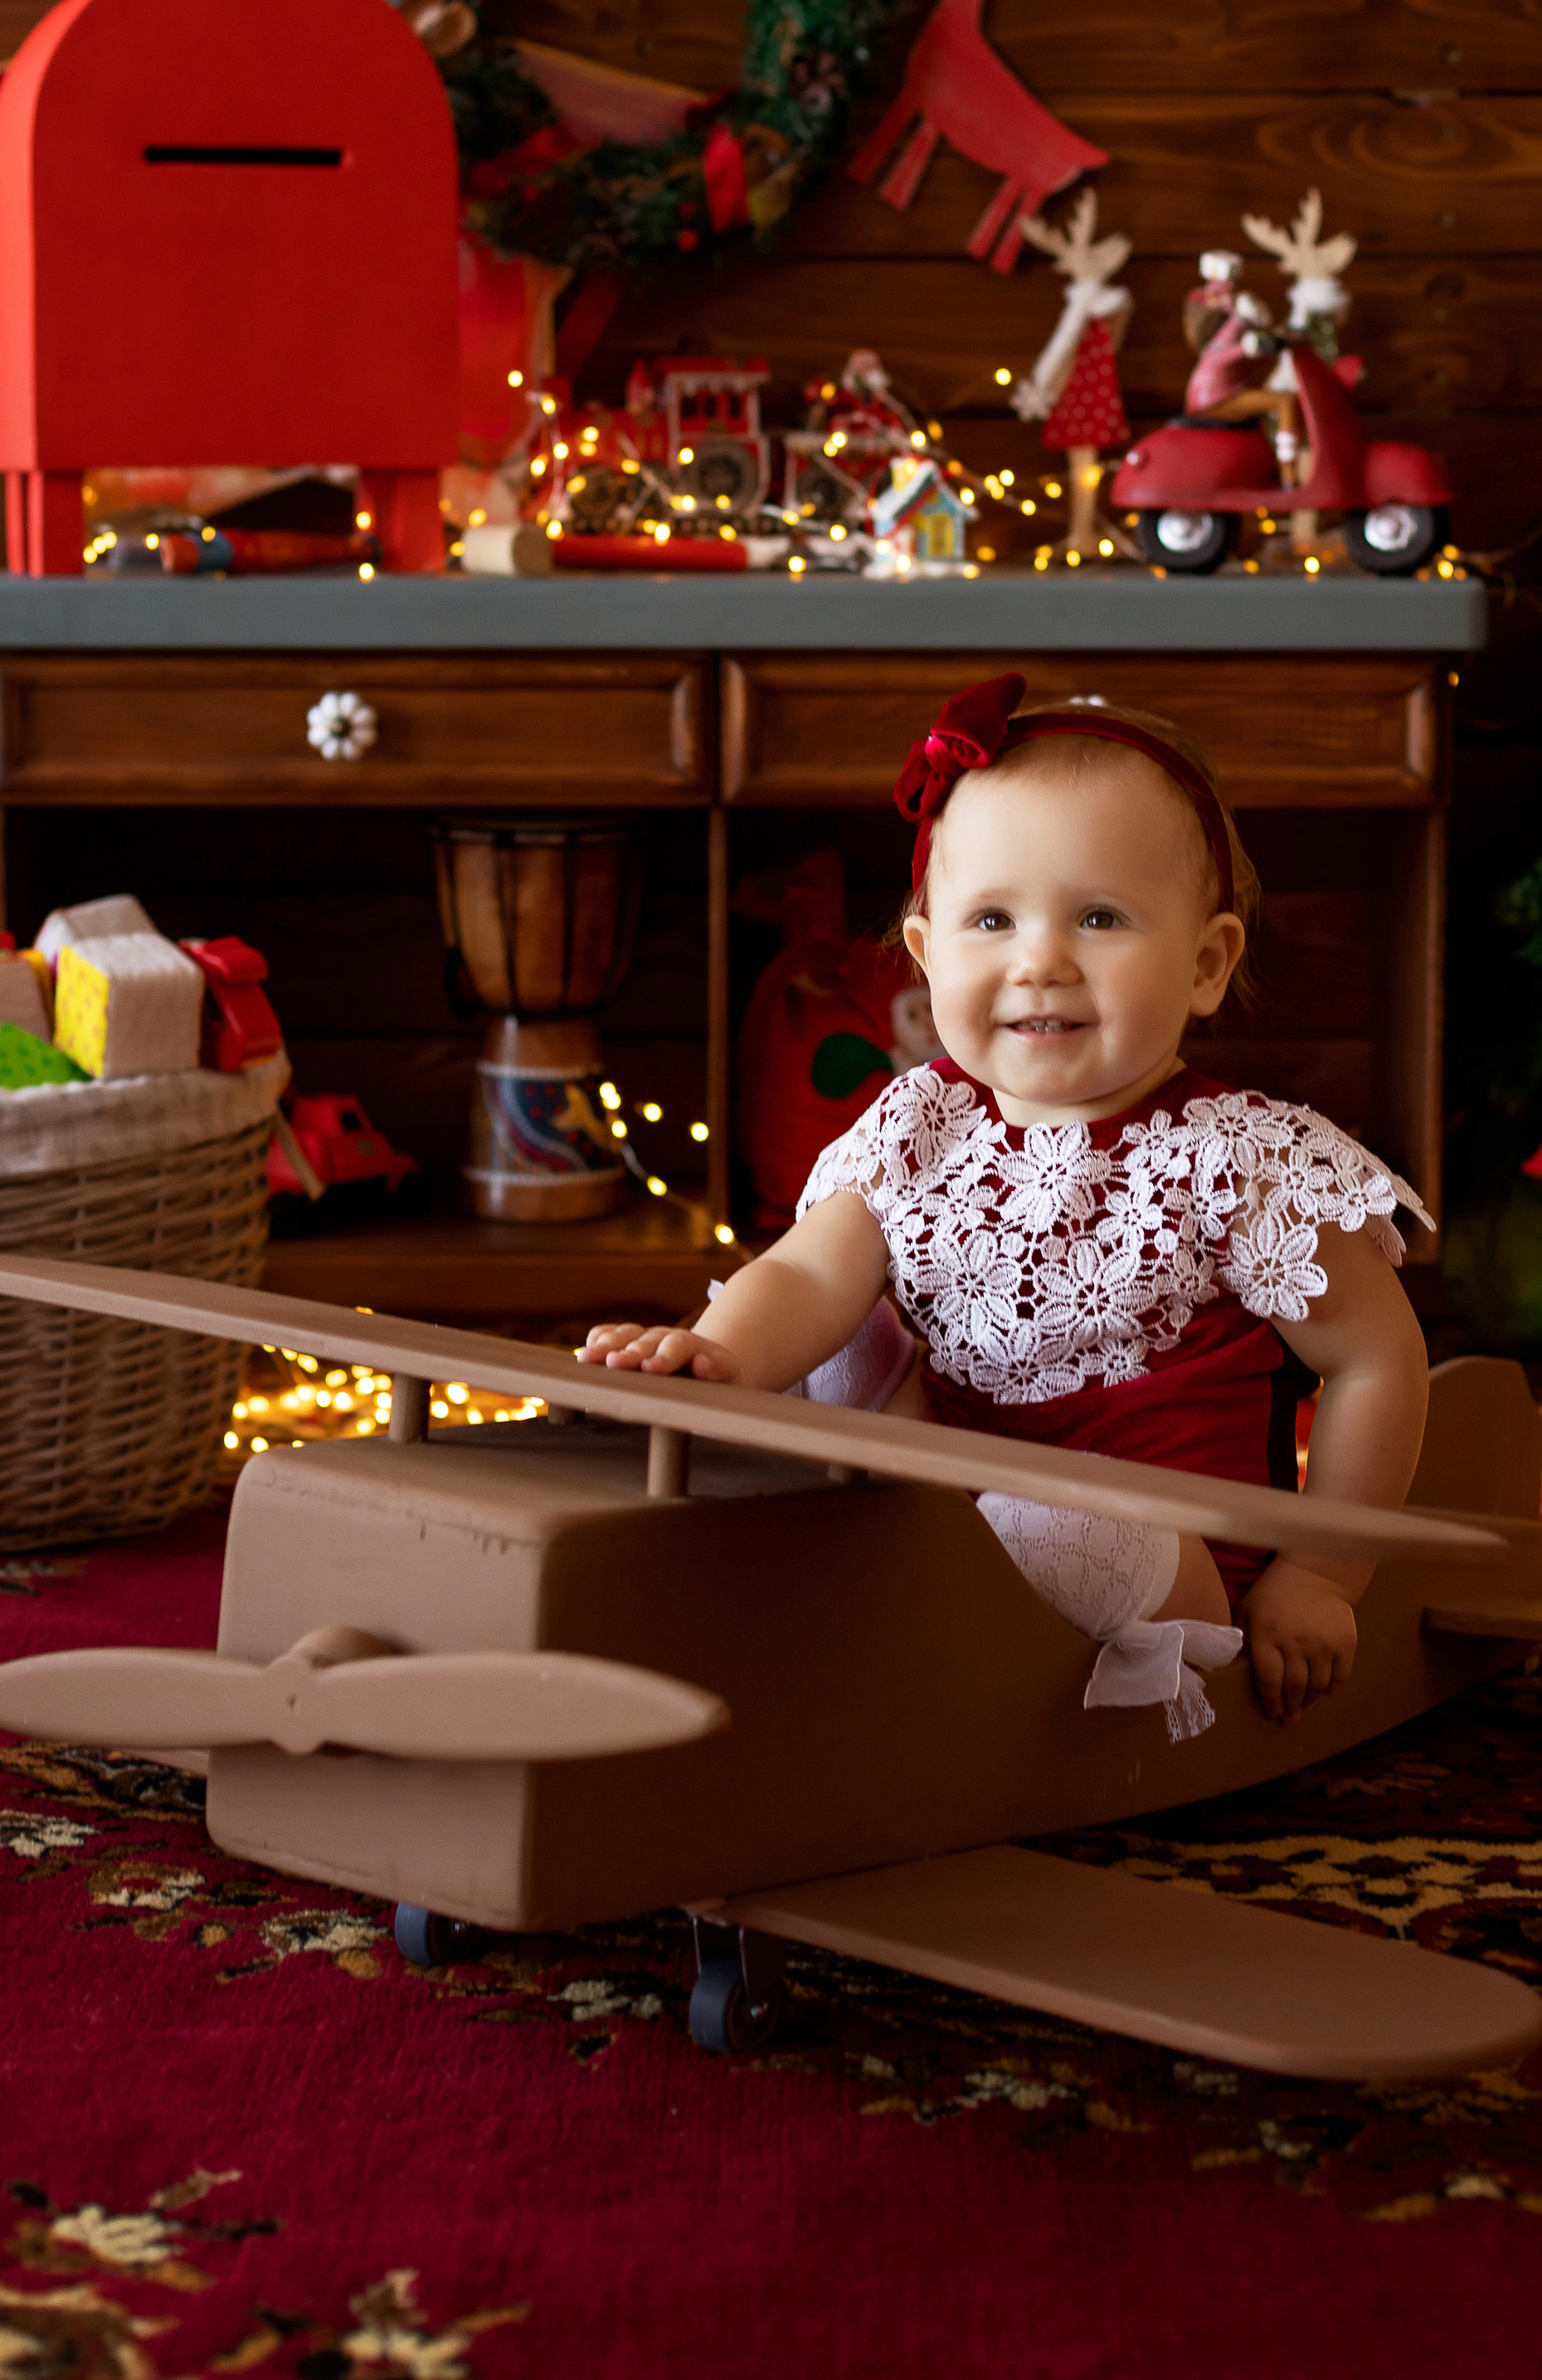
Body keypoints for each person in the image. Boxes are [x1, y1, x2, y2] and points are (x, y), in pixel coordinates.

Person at [581, 674, 1432, 1738]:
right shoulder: (922, 1121)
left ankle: (898, 1606)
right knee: (822, 1333)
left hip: (1160, 1553)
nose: (1041, 961)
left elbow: (1372, 1361)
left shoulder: (1234, 1158)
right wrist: (717, 1358)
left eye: (1099, 917)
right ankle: (794, 1540)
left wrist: (1322, 1572)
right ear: (928, 951)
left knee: (1050, 1520)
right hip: (939, 1497)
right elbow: (806, 1271)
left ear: (1207, 963)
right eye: (992, 919)